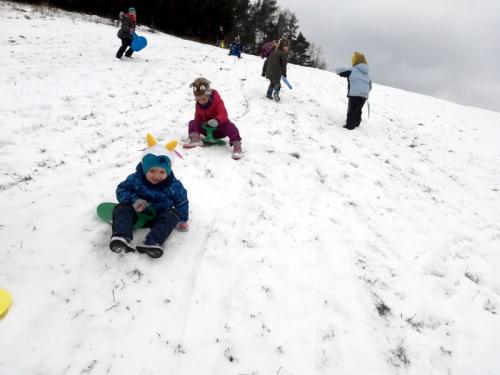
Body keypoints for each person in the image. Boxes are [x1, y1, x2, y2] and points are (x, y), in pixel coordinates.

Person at [110, 134, 189, 258]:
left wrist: (183, 219)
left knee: (172, 214)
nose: (156, 175)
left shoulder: (174, 186)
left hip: (158, 217)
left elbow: (181, 202)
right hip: (136, 212)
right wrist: (134, 199)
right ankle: (121, 237)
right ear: (144, 168)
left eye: (162, 172)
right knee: (122, 207)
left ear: (167, 171)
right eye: (152, 171)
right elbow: (121, 189)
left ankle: (153, 242)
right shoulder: (135, 179)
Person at [183, 77, 243, 160]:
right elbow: (197, 119)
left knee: (231, 126)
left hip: (219, 129)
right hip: (206, 129)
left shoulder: (217, 101)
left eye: (204, 99)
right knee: (192, 122)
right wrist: (196, 129)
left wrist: (217, 120)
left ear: (209, 94)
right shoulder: (198, 105)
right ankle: (195, 139)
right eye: (198, 99)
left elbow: (223, 114)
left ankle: (237, 146)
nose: (201, 101)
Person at [335, 52, 372, 130]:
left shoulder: (352, 70)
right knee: (358, 109)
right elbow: (370, 86)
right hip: (364, 95)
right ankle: (357, 123)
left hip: (355, 94)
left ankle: (350, 126)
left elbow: (339, 71)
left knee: (352, 109)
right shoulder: (367, 74)